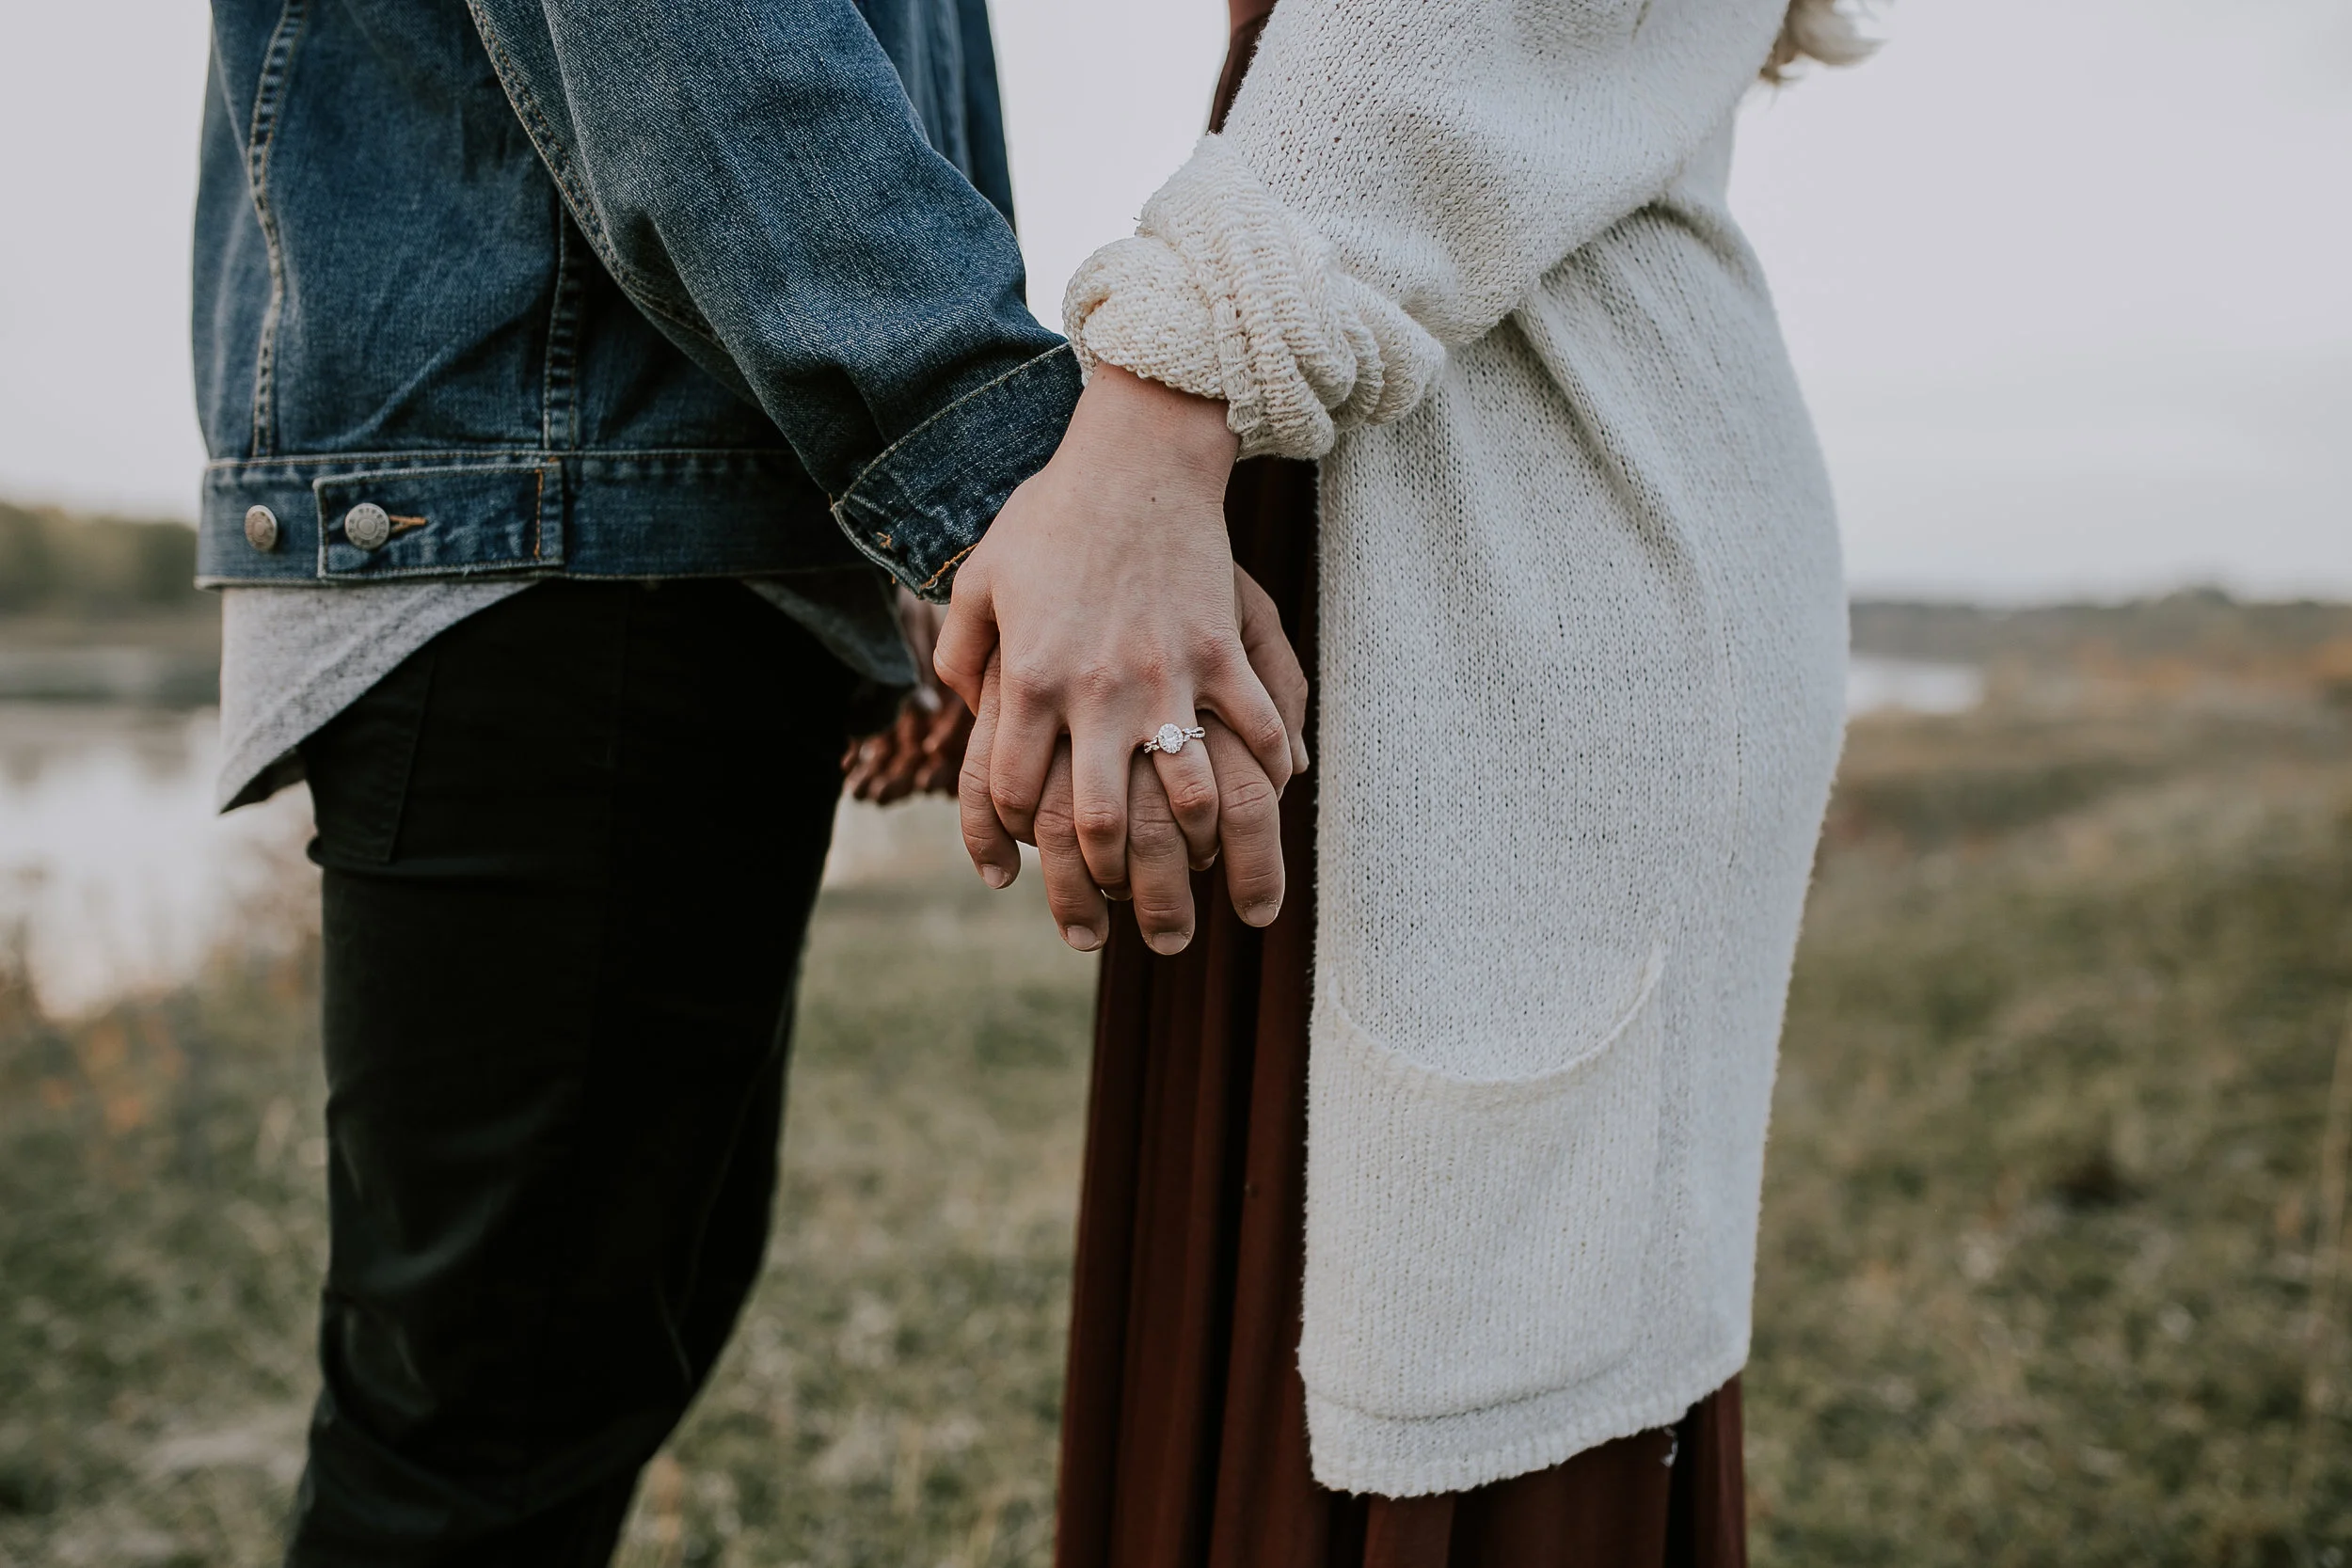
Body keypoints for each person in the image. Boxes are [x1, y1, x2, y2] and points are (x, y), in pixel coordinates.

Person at [189, 0, 1302, 1559]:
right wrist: (1006, 500)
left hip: (643, 534)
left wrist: (926, 580)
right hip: (559, 541)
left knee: (572, 1362)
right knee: (482, 1430)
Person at [941, 0, 1867, 1560]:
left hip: (1509, 596)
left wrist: (1144, 432)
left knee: (1484, 1369)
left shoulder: (1191, 391)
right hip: (1351, 551)